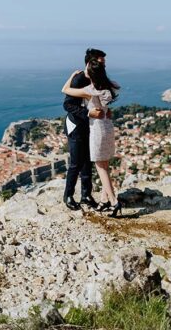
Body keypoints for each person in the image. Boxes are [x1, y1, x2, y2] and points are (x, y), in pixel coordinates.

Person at [62, 50, 123, 217]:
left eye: (103, 64)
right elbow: (67, 105)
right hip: (77, 125)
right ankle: (68, 196)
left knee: (89, 162)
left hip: (94, 127)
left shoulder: (98, 81)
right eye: (100, 63)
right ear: (90, 64)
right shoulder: (80, 79)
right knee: (76, 162)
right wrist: (89, 113)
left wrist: (105, 110)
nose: (103, 66)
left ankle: (86, 195)